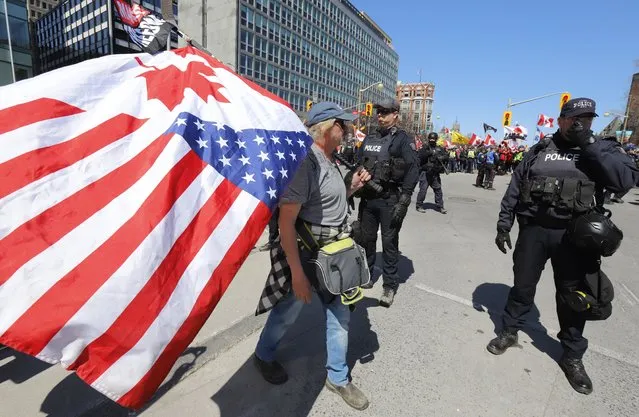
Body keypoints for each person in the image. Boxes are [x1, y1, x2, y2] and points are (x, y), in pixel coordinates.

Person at [488, 98, 639, 395]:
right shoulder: (540, 149)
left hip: (574, 237)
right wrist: (504, 223)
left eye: (587, 119)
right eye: (575, 119)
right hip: (534, 231)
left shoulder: (599, 150)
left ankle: (572, 356)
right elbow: (516, 187)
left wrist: (590, 144)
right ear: (561, 120)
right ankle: (508, 331)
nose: (582, 124)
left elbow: (627, 179)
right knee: (522, 287)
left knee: (573, 297)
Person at [253, 102, 372, 410]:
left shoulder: (331, 160)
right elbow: (286, 222)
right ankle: (263, 355)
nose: (346, 131)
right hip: (307, 255)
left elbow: (326, 204)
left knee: (339, 314)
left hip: (334, 254)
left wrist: (351, 189)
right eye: (341, 125)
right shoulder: (306, 162)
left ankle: (337, 377)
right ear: (324, 128)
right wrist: (296, 272)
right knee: (288, 311)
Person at [354, 98, 419, 307]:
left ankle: (389, 285)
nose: (380, 115)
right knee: (366, 239)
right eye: (378, 112)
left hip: (389, 199)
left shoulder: (402, 139)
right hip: (368, 197)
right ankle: (368, 275)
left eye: (385, 112)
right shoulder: (370, 137)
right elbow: (358, 160)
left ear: (395, 114)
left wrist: (405, 199)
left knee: (389, 243)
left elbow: (413, 169)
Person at [416, 132, 448, 214]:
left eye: (433, 139)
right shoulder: (425, 148)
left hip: (435, 173)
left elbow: (446, 156)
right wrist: (429, 154)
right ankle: (419, 205)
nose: (432, 140)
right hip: (425, 173)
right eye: (431, 139)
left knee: (438, 190)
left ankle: (440, 206)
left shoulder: (439, 149)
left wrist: (442, 157)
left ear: (436, 139)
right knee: (423, 190)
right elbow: (420, 156)